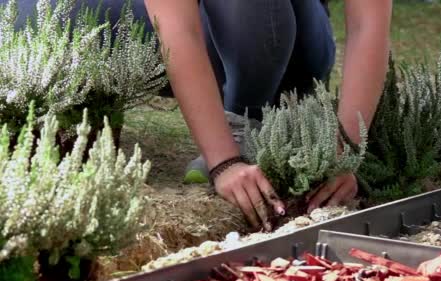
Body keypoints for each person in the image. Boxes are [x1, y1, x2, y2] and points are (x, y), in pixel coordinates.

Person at [9, 0, 392, 230]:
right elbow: (177, 29)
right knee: (39, 19)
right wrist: (223, 160)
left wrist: (344, 150)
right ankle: (235, 125)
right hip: (150, 23)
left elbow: (368, 23)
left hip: (290, 36)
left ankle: (247, 112)